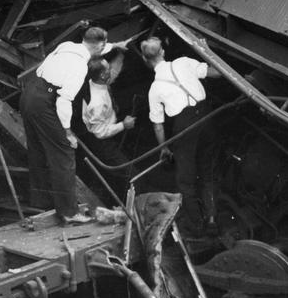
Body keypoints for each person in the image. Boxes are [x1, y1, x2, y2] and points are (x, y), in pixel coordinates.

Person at [20, 26, 123, 224]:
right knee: (64, 152)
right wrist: (67, 132)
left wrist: (116, 46)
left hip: (29, 94)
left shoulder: (67, 46)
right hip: (46, 102)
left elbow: (97, 47)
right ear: (99, 45)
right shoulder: (79, 67)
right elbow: (63, 101)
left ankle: (40, 202)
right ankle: (69, 212)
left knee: (37, 150)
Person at [140, 37, 220, 237]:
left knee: (185, 179)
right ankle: (212, 219)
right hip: (207, 117)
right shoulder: (184, 62)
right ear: (163, 52)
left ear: (145, 60)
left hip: (184, 127)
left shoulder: (155, 88)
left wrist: (164, 148)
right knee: (207, 171)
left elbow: (158, 125)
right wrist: (206, 49)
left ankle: (197, 226)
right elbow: (217, 72)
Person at [81, 50, 136, 192]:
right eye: (108, 69)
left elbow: (113, 72)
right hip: (102, 141)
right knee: (130, 173)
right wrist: (123, 125)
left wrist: (122, 54)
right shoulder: (97, 103)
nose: (111, 69)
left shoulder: (95, 81)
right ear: (103, 75)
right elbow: (100, 132)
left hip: (108, 125)